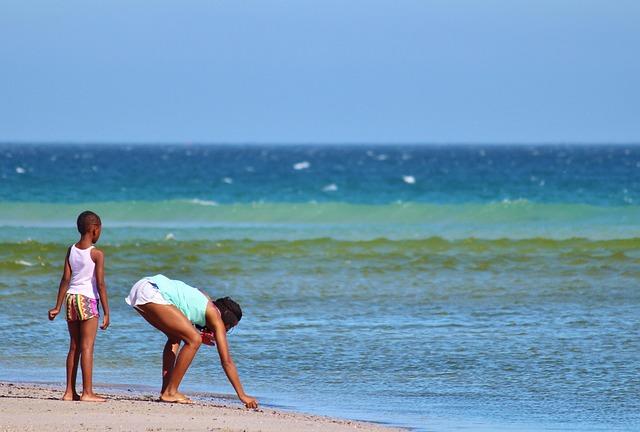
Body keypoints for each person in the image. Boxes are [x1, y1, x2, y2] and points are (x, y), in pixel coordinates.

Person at [125, 274, 258, 408]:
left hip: (142, 287)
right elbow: (226, 361)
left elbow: (186, 302)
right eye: (229, 328)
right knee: (194, 340)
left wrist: (195, 331)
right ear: (226, 321)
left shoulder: (206, 301)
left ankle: (166, 391)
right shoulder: (216, 317)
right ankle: (171, 392)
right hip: (153, 292)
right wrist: (242, 395)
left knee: (175, 337)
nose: (225, 331)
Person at [48, 211, 110, 402]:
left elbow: (65, 279)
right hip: (87, 300)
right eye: (100, 230)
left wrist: (57, 306)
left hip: (71, 300)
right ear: (94, 229)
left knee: (74, 347)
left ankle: (69, 392)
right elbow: (100, 284)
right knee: (87, 346)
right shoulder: (96, 254)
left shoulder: (71, 250)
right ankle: (87, 393)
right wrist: (107, 312)